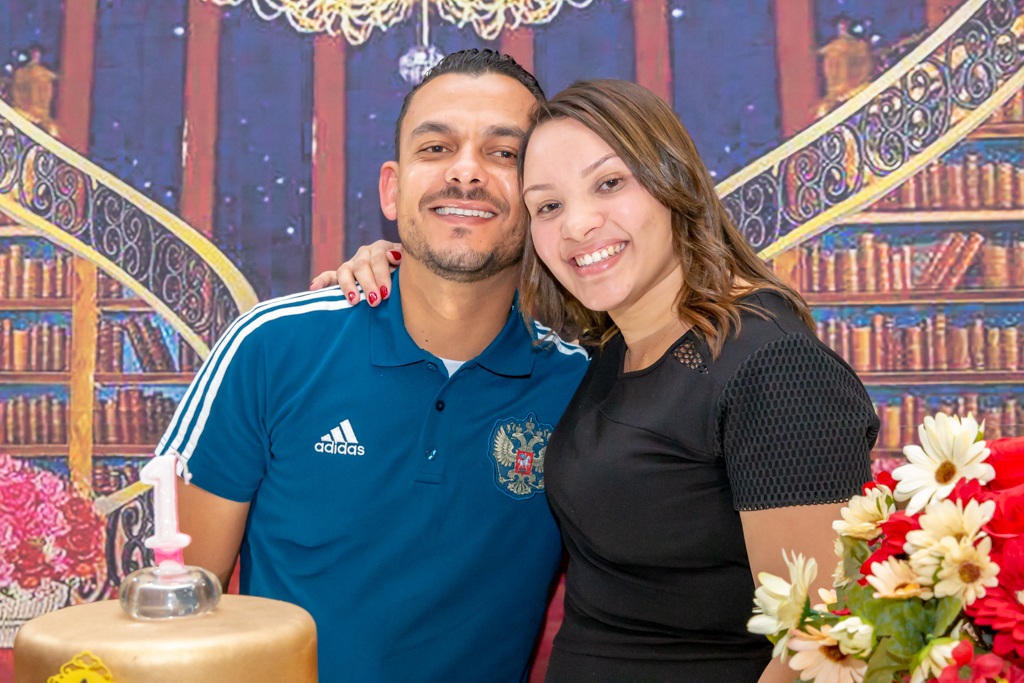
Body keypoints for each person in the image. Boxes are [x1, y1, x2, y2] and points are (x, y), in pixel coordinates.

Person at [317, 79, 879, 682]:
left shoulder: (771, 365)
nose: (579, 225)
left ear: (675, 184)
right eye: (549, 206)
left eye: (609, 184)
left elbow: (825, 640)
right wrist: (406, 264)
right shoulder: (606, 353)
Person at [159, 49, 588, 683]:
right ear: (392, 188)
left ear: (542, 197)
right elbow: (180, 610)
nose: (466, 174)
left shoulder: (579, 388)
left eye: (504, 153)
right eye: (436, 148)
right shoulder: (271, 348)